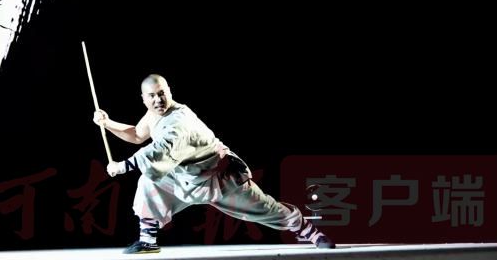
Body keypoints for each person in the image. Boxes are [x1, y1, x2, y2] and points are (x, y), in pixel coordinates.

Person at [93, 74, 336, 254]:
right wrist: (108, 123)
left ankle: (309, 231)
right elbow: (137, 135)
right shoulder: (154, 114)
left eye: (162, 93)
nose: (158, 99)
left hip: (218, 177)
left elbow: (160, 150)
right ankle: (148, 240)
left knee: (266, 208)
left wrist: (122, 167)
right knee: (149, 182)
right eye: (152, 96)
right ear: (144, 98)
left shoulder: (179, 119)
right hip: (184, 179)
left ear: (169, 91)